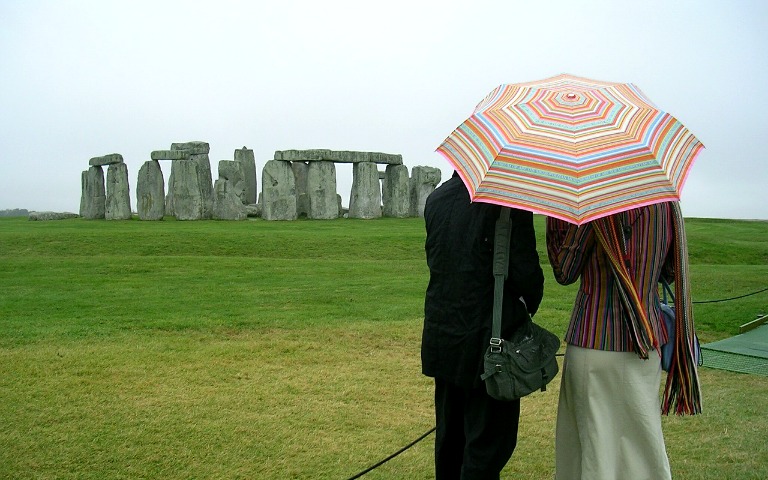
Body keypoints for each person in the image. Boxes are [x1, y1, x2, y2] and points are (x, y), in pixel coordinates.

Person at [546, 201, 701, 480]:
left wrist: (557, 217)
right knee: (642, 449)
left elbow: (564, 270)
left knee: (595, 453)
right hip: (646, 340)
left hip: (594, 341)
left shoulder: (596, 202)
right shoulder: (664, 203)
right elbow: (669, 270)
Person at [422, 172, 545, 480]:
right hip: (490, 342)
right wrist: (526, 305)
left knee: (450, 440)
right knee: (487, 447)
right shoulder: (508, 202)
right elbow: (527, 275)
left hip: (443, 335)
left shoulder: (436, 199)